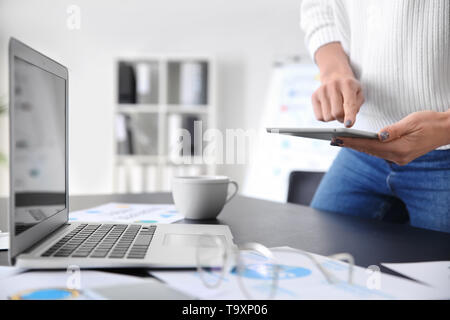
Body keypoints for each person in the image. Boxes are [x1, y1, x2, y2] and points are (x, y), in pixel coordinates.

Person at [300, 0, 450, 233]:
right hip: (362, 147)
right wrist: (334, 71)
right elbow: (320, 7)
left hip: (445, 156)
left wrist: (445, 126)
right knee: (320, 260)